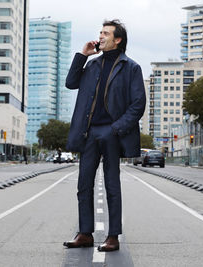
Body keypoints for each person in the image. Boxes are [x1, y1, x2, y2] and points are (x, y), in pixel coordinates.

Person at [63, 19, 146, 252]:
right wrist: (83, 55)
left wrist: (116, 128)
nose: (100, 36)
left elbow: (138, 104)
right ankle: (85, 233)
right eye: (100, 32)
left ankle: (113, 236)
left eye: (105, 33)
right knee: (83, 184)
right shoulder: (92, 65)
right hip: (89, 133)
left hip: (113, 132)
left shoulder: (131, 67)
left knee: (112, 185)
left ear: (117, 39)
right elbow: (70, 83)